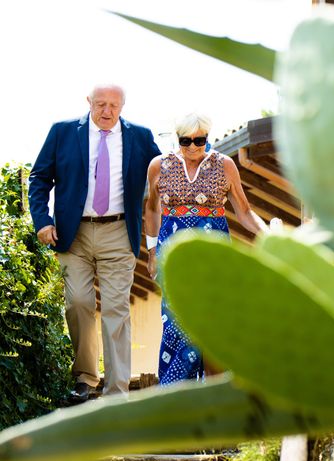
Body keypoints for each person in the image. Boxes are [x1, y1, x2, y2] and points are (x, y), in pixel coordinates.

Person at [29, 84, 162, 402]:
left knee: (116, 308)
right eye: (100, 104)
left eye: (114, 105)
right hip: (72, 234)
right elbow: (39, 178)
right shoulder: (62, 132)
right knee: (78, 303)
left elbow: (164, 173)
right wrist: (42, 220)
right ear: (88, 102)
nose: (107, 111)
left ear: (123, 106)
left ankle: (117, 392)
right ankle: (86, 379)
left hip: (118, 231)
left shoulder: (140, 137)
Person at [145, 112, 268, 385]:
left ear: (207, 138)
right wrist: (152, 253)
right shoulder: (159, 166)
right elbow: (152, 209)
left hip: (214, 260)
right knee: (177, 326)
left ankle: (215, 395)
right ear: (178, 139)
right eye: (185, 141)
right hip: (173, 259)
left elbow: (245, 212)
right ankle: (175, 397)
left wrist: (269, 235)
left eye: (198, 140)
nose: (192, 147)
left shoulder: (224, 166)